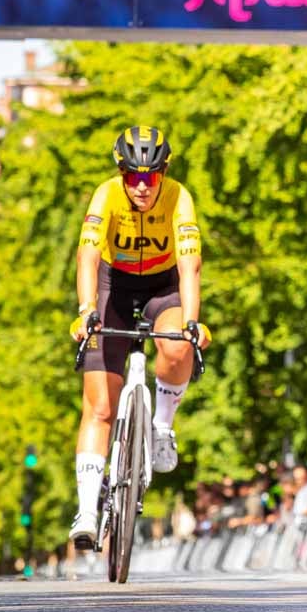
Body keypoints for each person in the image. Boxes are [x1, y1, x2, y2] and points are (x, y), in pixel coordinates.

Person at [67, 125, 211, 549]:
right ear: (121, 173)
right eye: (133, 176)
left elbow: (190, 265)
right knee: (100, 407)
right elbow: (88, 256)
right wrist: (87, 310)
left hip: (162, 285)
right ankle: (88, 512)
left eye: (152, 176)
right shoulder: (106, 195)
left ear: (164, 172)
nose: (143, 186)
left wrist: (191, 321)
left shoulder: (179, 197)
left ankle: (162, 427)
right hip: (114, 285)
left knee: (176, 343)